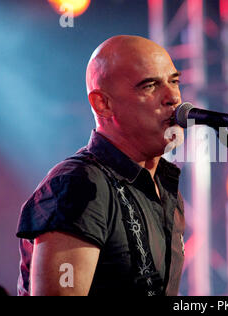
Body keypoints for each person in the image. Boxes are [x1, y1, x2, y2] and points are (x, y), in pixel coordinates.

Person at [16, 35, 186, 296]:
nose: (173, 97)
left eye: (174, 81)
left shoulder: (163, 185)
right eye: (149, 85)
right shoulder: (77, 186)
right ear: (102, 104)